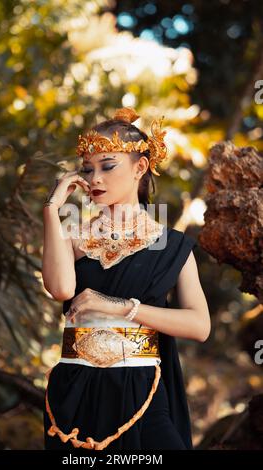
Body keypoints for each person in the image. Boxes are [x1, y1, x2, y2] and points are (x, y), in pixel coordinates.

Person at [42, 107, 211, 450]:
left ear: (140, 168)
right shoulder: (71, 235)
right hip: (75, 386)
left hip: (142, 387)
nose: (95, 179)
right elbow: (60, 289)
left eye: (108, 165)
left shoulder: (172, 245)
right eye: (87, 169)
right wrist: (50, 209)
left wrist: (120, 307)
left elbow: (199, 326)